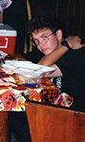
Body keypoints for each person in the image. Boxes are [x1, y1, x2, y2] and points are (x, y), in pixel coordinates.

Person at [9, 14, 85, 142]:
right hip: (58, 109)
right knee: (16, 109)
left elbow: (39, 70)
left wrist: (66, 45)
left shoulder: (77, 55)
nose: (41, 44)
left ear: (59, 35)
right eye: (36, 40)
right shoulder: (51, 54)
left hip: (74, 117)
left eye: (45, 37)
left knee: (16, 111)